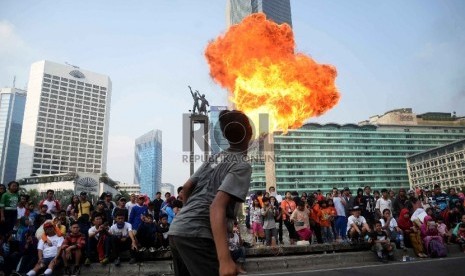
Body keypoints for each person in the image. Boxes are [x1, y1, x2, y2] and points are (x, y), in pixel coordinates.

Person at [168, 109, 253, 276]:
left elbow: (185, 189)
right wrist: (225, 260)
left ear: (225, 135)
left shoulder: (216, 158)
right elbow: (216, 207)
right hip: (198, 236)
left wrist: (190, 215)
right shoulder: (242, 165)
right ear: (249, 131)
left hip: (178, 230)